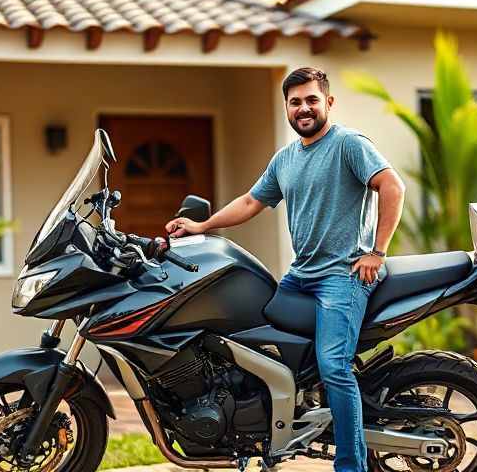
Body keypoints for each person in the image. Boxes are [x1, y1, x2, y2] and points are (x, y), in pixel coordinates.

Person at [165, 67, 405, 472]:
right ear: (287, 109)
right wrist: (203, 227)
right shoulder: (286, 159)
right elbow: (250, 202)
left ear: (328, 102)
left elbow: (392, 185)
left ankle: (351, 466)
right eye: (295, 102)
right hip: (301, 275)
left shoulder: (348, 144)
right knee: (249, 335)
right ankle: (267, 432)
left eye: (312, 100)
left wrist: (376, 252)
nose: (304, 108)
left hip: (342, 276)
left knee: (334, 367)